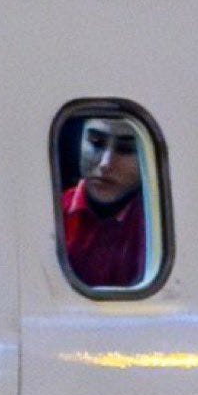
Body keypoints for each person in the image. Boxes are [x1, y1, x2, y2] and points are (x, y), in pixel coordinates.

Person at [61, 117, 146, 288]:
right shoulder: (52, 213)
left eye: (126, 149)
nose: (105, 163)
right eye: (96, 142)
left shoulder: (158, 224)